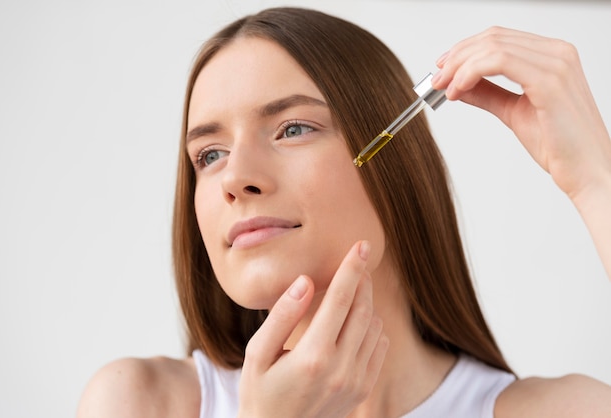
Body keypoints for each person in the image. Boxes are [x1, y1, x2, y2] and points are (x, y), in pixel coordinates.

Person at [76, 7, 611, 418]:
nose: (235, 179)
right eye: (209, 155)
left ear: (392, 158)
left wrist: (594, 179)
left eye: (293, 128)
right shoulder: (139, 403)